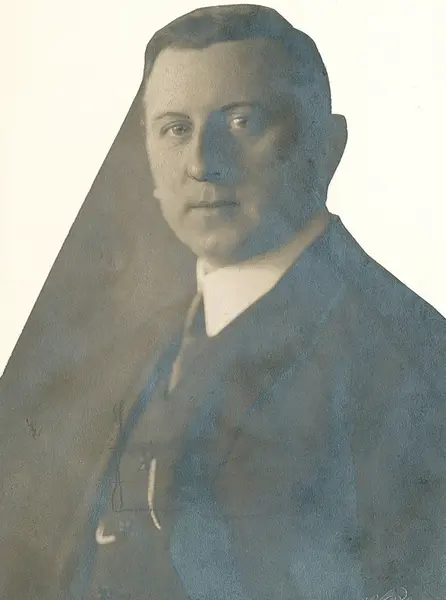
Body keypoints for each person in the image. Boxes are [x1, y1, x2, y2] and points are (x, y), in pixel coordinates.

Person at [65, 5, 446, 600]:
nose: (201, 163)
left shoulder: (408, 356)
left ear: (328, 145)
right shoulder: (152, 340)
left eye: (241, 121)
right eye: (175, 129)